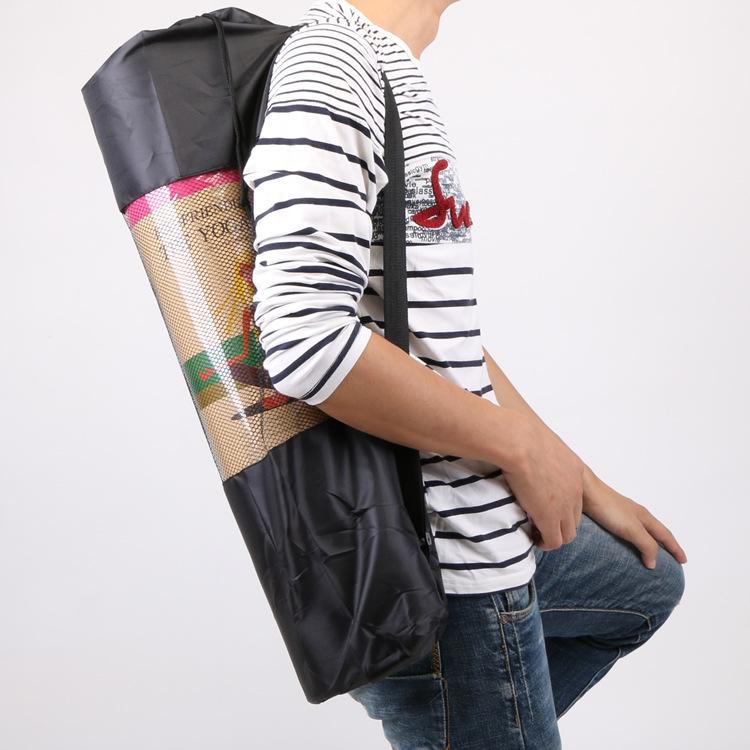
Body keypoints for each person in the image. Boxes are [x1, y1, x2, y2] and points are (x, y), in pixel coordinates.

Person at [242, 1, 687, 747]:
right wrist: (520, 448)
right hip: (436, 565)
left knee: (647, 585)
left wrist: (578, 478)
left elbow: (428, 331)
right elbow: (305, 340)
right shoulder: (333, 67)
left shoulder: (385, 65)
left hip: (481, 532)